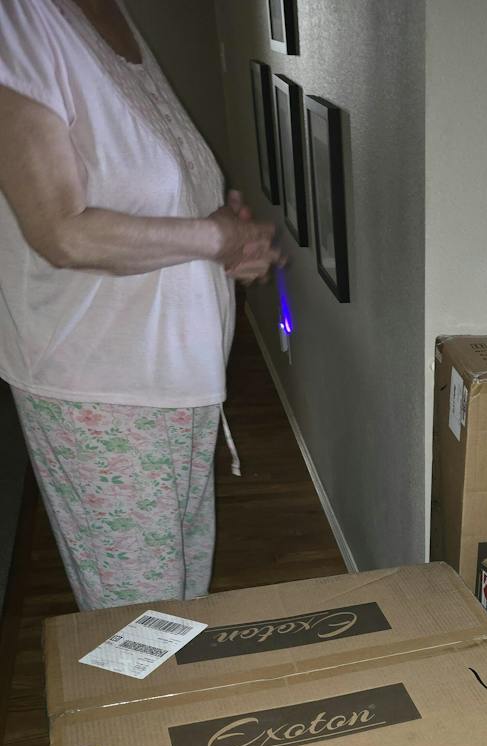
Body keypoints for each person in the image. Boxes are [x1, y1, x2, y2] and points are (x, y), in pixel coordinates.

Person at [0, 0, 283, 610]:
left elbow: (153, 202)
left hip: (182, 383)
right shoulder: (17, 22)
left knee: (178, 600)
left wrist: (227, 240)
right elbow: (62, 233)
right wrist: (213, 238)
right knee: (137, 620)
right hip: (102, 393)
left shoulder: (113, 16)